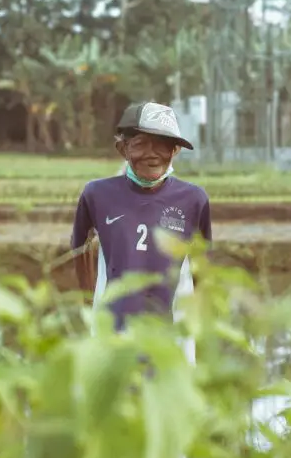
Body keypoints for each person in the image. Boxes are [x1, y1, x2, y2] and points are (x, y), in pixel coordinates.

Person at [71, 101, 212, 334]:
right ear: (123, 149)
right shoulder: (97, 195)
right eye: (141, 144)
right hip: (113, 327)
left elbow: (202, 261)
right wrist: (88, 301)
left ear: (175, 151)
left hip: (173, 329)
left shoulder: (194, 199)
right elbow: (79, 247)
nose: (153, 155)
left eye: (163, 145)